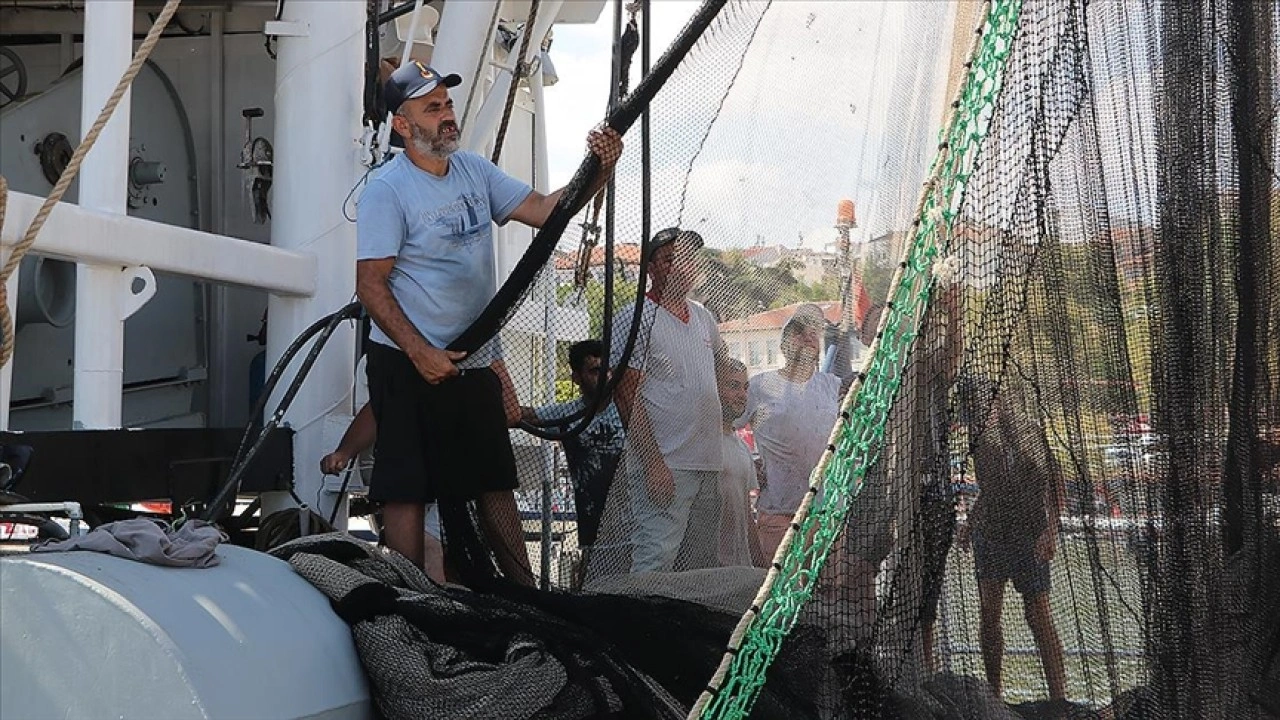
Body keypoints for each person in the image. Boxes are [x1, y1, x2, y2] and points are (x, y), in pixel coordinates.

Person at [355, 60, 622, 583]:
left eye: (447, 104)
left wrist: (600, 169)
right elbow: (370, 285)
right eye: (432, 108)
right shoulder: (387, 190)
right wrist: (420, 352)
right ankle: (414, 595)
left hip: (473, 356)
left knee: (494, 477)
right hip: (407, 361)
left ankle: (527, 591)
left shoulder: (475, 171)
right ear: (402, 125)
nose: (446, 116)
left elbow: (547, 209)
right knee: (407, 487)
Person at [611, 228, 727, 573]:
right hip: (668, 463)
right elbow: (626, 394)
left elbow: (721, 370)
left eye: (688, 258)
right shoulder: (635, 317)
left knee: (700, 563)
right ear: (650, 269)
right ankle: (641, 610)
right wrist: (653, 463)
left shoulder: (704, 317)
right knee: (656, 556)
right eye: (669, 259)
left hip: (708, 462)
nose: (681, 266)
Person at [965, 375, 1067, 701]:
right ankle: (995, 695)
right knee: (989, 615)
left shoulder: (1029, 432)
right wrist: (970, 522)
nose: (982, 412)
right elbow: (989, 490)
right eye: (976, 408)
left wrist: (1051, 531)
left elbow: (1056, 485)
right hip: (992, 533)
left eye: (986, 404)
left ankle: (1059, 698)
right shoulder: (979, 440)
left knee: (1038, 614)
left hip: (1029, 533)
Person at [740, 304, 843, 560]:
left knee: (829, 583)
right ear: (784, 344)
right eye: (799, 330)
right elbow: (726, 429)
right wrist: (748, 465)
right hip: (780, 514)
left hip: (827, 511)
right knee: (779, 582)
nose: (808, 335)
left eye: (814, 330)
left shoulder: (833, 386)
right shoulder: (761, 386)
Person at [520, 339, 625, 566]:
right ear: (576, 377)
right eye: (595, 371)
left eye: (608, 369)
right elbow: (526, 416)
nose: (605, 376)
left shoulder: (627, 410)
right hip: (592, 523)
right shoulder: (568, 414)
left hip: (631, 521)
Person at [320, 403, 445, 584]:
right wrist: (344, 452)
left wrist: (345, 452)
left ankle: (432, 592)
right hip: (411, 474)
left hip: (459, 472)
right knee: (412, 557)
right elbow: (380, 404)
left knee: (429, 545)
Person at [714, 356, 765, 568]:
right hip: (710, 568)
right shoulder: (703, 446)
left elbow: (746, 513)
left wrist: (760, 563)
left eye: (745, 388)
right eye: (733, 386)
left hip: (739, 567)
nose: (742, 395)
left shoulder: (742, 448)